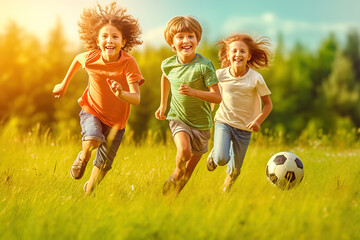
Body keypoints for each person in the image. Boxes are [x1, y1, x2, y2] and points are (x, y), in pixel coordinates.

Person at [52, 2, 144, 194]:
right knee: (93, 138)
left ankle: (88, 191)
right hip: (91, 110)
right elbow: (78, 59)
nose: (109, 40)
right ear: (97, 39)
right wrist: (63, 84)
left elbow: (136, 98)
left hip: (117, 123)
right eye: (104, 36)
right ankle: (83, 156)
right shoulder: (92, 58)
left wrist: (121, 93)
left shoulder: (128, 63)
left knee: (104, 165)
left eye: (114, 37)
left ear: (123, 42)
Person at [155, 16, 222, 196]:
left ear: (197, 40)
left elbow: (217, 97)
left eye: (191, 36)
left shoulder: (204, 66)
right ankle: (176, 171)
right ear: (172, 43)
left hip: (201, 124)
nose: (186, 40)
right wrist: (163, 104)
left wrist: (194, 92)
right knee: (184, 150)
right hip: (178, 118)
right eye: (180, 37)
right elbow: (165, 77)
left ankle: (172, 199)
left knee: (188, 172)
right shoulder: (168, 64)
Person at [207, 33, 273, 192]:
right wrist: (208, 111)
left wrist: (258, 121)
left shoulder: (256, 78)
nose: (238, 54)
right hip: (224, 122)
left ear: (249, 56)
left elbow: (268, 105)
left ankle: (225, 192)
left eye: (242, 51)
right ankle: (216, 152)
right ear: (228, 55)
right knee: (221, 159)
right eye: (234, 51)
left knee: (235, 170)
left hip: (245, 129)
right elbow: (212, 96)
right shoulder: (219, 75)